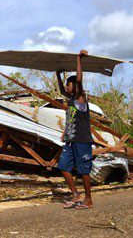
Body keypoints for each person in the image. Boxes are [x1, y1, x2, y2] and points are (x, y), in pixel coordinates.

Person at [56, 50, 94, 210]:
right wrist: (58, 75)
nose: (67, 87)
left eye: (68, 84)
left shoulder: (80, 98)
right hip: (71, 140)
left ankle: (88, 200)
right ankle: (75, 194)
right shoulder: (71, 100)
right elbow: (62, 91)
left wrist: (78, 59)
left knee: (84, 170)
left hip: (83, 140)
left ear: (75, 86)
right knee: (63, 167)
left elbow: (79, 79)